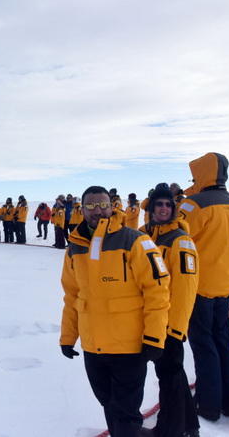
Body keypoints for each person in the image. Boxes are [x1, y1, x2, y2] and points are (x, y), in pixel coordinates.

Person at [60, 185, 170, 437]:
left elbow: (158, 292)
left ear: (112, 206)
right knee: (108, 403)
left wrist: (155, 337)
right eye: (90, 206)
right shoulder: (75, 247)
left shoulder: (136, 241)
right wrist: (68, 338)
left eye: (102, 204)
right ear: (82, 209)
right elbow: (72, 296)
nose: (97, 210)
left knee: (126, 410)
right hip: (93, 346)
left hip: (128, 346)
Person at [179, 152, 229, 421]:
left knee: (204, 347)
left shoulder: (194, 205)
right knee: (222, 344)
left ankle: (207, 405)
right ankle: (228, 401)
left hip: (199, 287)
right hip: (224, 285)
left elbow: (177, 238)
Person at [141, 184, 200, 437]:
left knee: (169, 375)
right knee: (172, 374)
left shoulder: (181, 240)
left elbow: (187, 288)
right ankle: (189, 426)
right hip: (147, 318)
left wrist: (176, 328)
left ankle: (169, 430)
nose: (163, 208)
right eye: (159, 204)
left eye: (168, 204)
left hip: (167, 323)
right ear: (152, 208)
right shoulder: (142, 236)